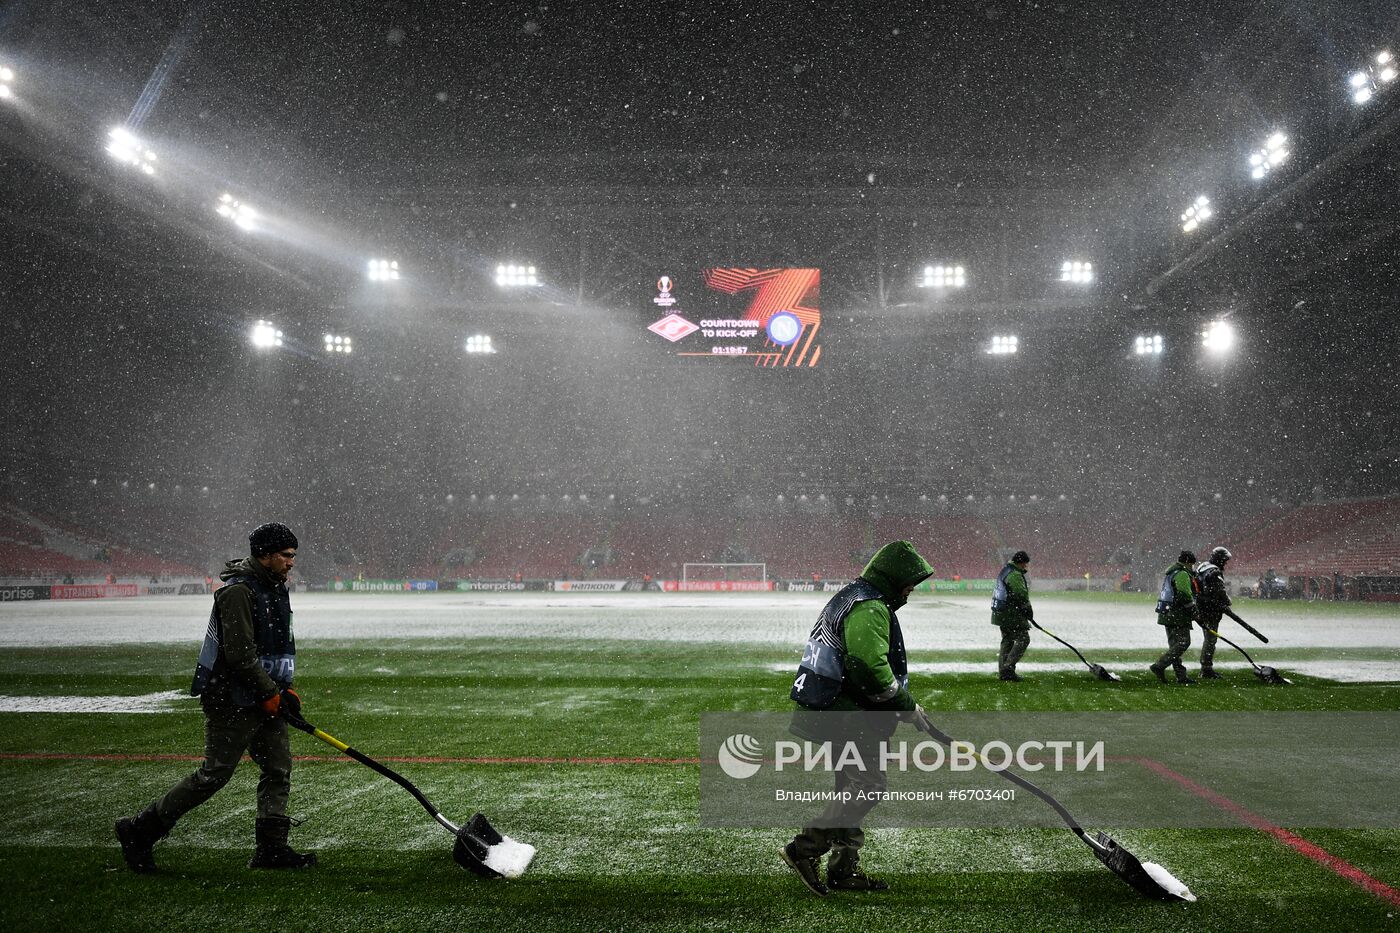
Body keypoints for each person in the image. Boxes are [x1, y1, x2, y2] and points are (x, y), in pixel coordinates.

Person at [114, 522, 315, 873]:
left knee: (278, 769)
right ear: (265, 555)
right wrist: (269, 691)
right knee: (215, 774)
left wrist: (285, 688)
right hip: (232, 699)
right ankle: (139, 830)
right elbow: (239, 655)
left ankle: (271, 848)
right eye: (285, 555)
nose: (291, 562)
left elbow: (278, 647)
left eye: (293, 556)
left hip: (265, 695)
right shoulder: (238, 592)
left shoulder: (275, 587)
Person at [782, 540, 934, 896]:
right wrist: (907, 705)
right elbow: (868, 666)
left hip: (835, 710)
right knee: (868, 786)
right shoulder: (869, 606)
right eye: (911, 581)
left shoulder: (856, 596)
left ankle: (843, 870)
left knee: (850, 786)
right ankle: (803, 849)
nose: (913, 588)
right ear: (895, 577)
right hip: (848, 715)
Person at [1151, 550, 1199, 685]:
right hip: (1177, 614)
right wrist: (1194, 612)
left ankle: (1181, 676)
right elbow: (1184, 594)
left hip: (1166, 613)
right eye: (1192, 564)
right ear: (1189, 562)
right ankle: (1159, 665)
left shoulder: (1171, 572)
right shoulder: (1182, 573)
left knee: (1175, 646)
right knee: (1183, 643)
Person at [991, 551, 1034, 682]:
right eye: (1025, 564)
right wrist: (1028, 610)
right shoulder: (1015, 574)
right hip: (1010, 614)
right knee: (1023, 639)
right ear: (1021, 563)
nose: (1026, 567)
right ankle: (1008, 669)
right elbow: (1021, 594)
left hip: (1000, 612)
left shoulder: (1006, 570)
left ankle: (1003, 672)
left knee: (1007, 641)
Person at [1193, 547, 1233, 680]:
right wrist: (1227, 602)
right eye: (1225, 561)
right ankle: (1206, 669)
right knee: (1210, 640)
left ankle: (1205, 667)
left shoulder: (1203, 567)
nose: (1225, 564)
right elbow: (1220, 591)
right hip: (1211, 610)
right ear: (1220, 560)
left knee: (1209, 638)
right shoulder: (1215, 572)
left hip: (1200, 607)